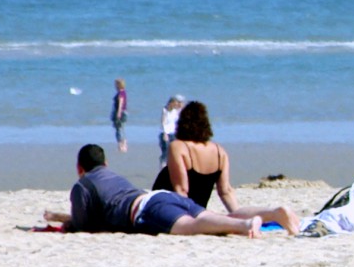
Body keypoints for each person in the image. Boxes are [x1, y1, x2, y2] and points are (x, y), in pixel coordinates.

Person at [43, 142, 263, 237]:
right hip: (160, 196)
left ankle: (244, 224)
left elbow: (84, 225)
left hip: (146, 210)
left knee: (193, 226)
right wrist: (58, 215)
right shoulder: (113, 176)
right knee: (207, 217)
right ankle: (262, 216)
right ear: (106, 163)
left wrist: (66, 221)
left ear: (79, 168)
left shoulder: (83, 185)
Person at [151, 100, 299, 230]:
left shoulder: (178, 146)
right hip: (199, 208)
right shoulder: (219, 151)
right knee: (235, 215)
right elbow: (225, 191)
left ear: (181, 124)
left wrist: (183, 218)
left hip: (176, 209)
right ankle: (272, 213)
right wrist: (237, 213)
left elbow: (182, 189)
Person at [159, 96, 183, 163]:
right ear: (170, 103)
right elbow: (163, 122)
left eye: (176, 104)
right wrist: (165, 133)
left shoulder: (176, 111)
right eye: (174, 104)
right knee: (165, 152)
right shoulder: (165, 110)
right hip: (165, 133)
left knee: (174, 152)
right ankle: (163, 167)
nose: (175, 105)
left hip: (173, 133)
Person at [110, 79, 130, 152]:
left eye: (116, 84)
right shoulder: (123, 92)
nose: (115, 86)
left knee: (119, 129)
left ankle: (121, 145)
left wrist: (118, 113)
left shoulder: (120, 93)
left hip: (121, 112)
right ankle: (123, 144)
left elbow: (121, 102)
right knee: (122, 128)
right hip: (124, 112)